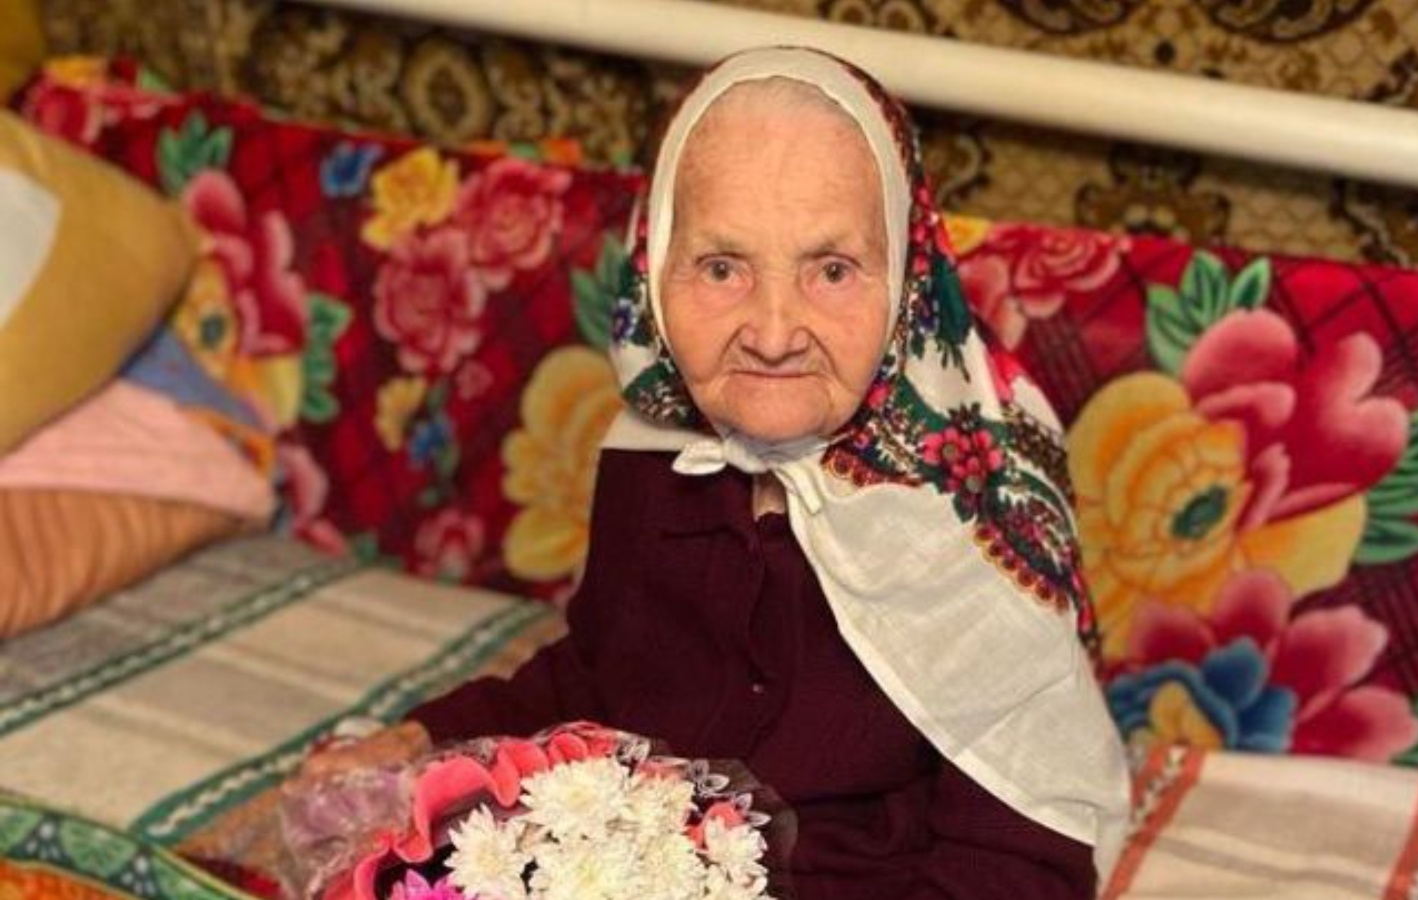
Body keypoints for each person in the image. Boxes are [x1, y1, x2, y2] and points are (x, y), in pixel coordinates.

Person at [302, 46, 1128, 899]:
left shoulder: (970, 521)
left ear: (907, 282)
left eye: (832, 269)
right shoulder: (648, 454)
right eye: (722, 267)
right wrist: (423, 739)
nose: (772, 333)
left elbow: (1019, 856)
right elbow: (603, 675)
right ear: (655, 270)